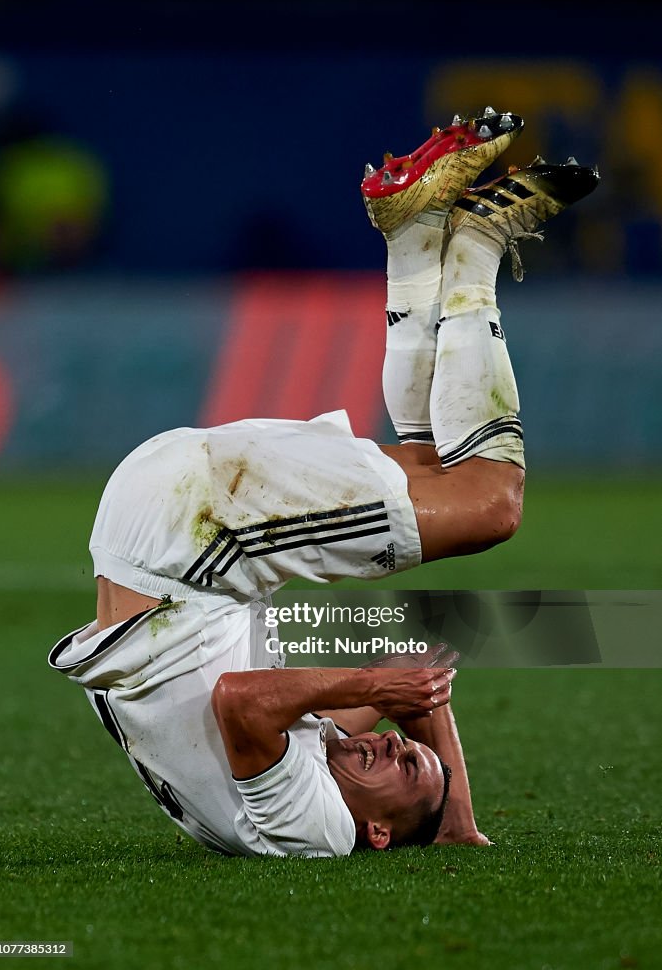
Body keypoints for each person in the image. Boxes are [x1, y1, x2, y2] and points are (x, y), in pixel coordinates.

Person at [48, 108, 599, 857]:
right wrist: (455, 812)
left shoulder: (314, 830)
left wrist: (371, 689)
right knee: (435, 469)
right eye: (411, 751)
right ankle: (411, 237)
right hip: (158, 537)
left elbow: (240, 703)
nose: (399, 749)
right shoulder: (326, 767)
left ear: (374, 831)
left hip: (193, 541)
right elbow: (417, 669)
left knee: (489, 507)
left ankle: (476, 246)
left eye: (404, 769)